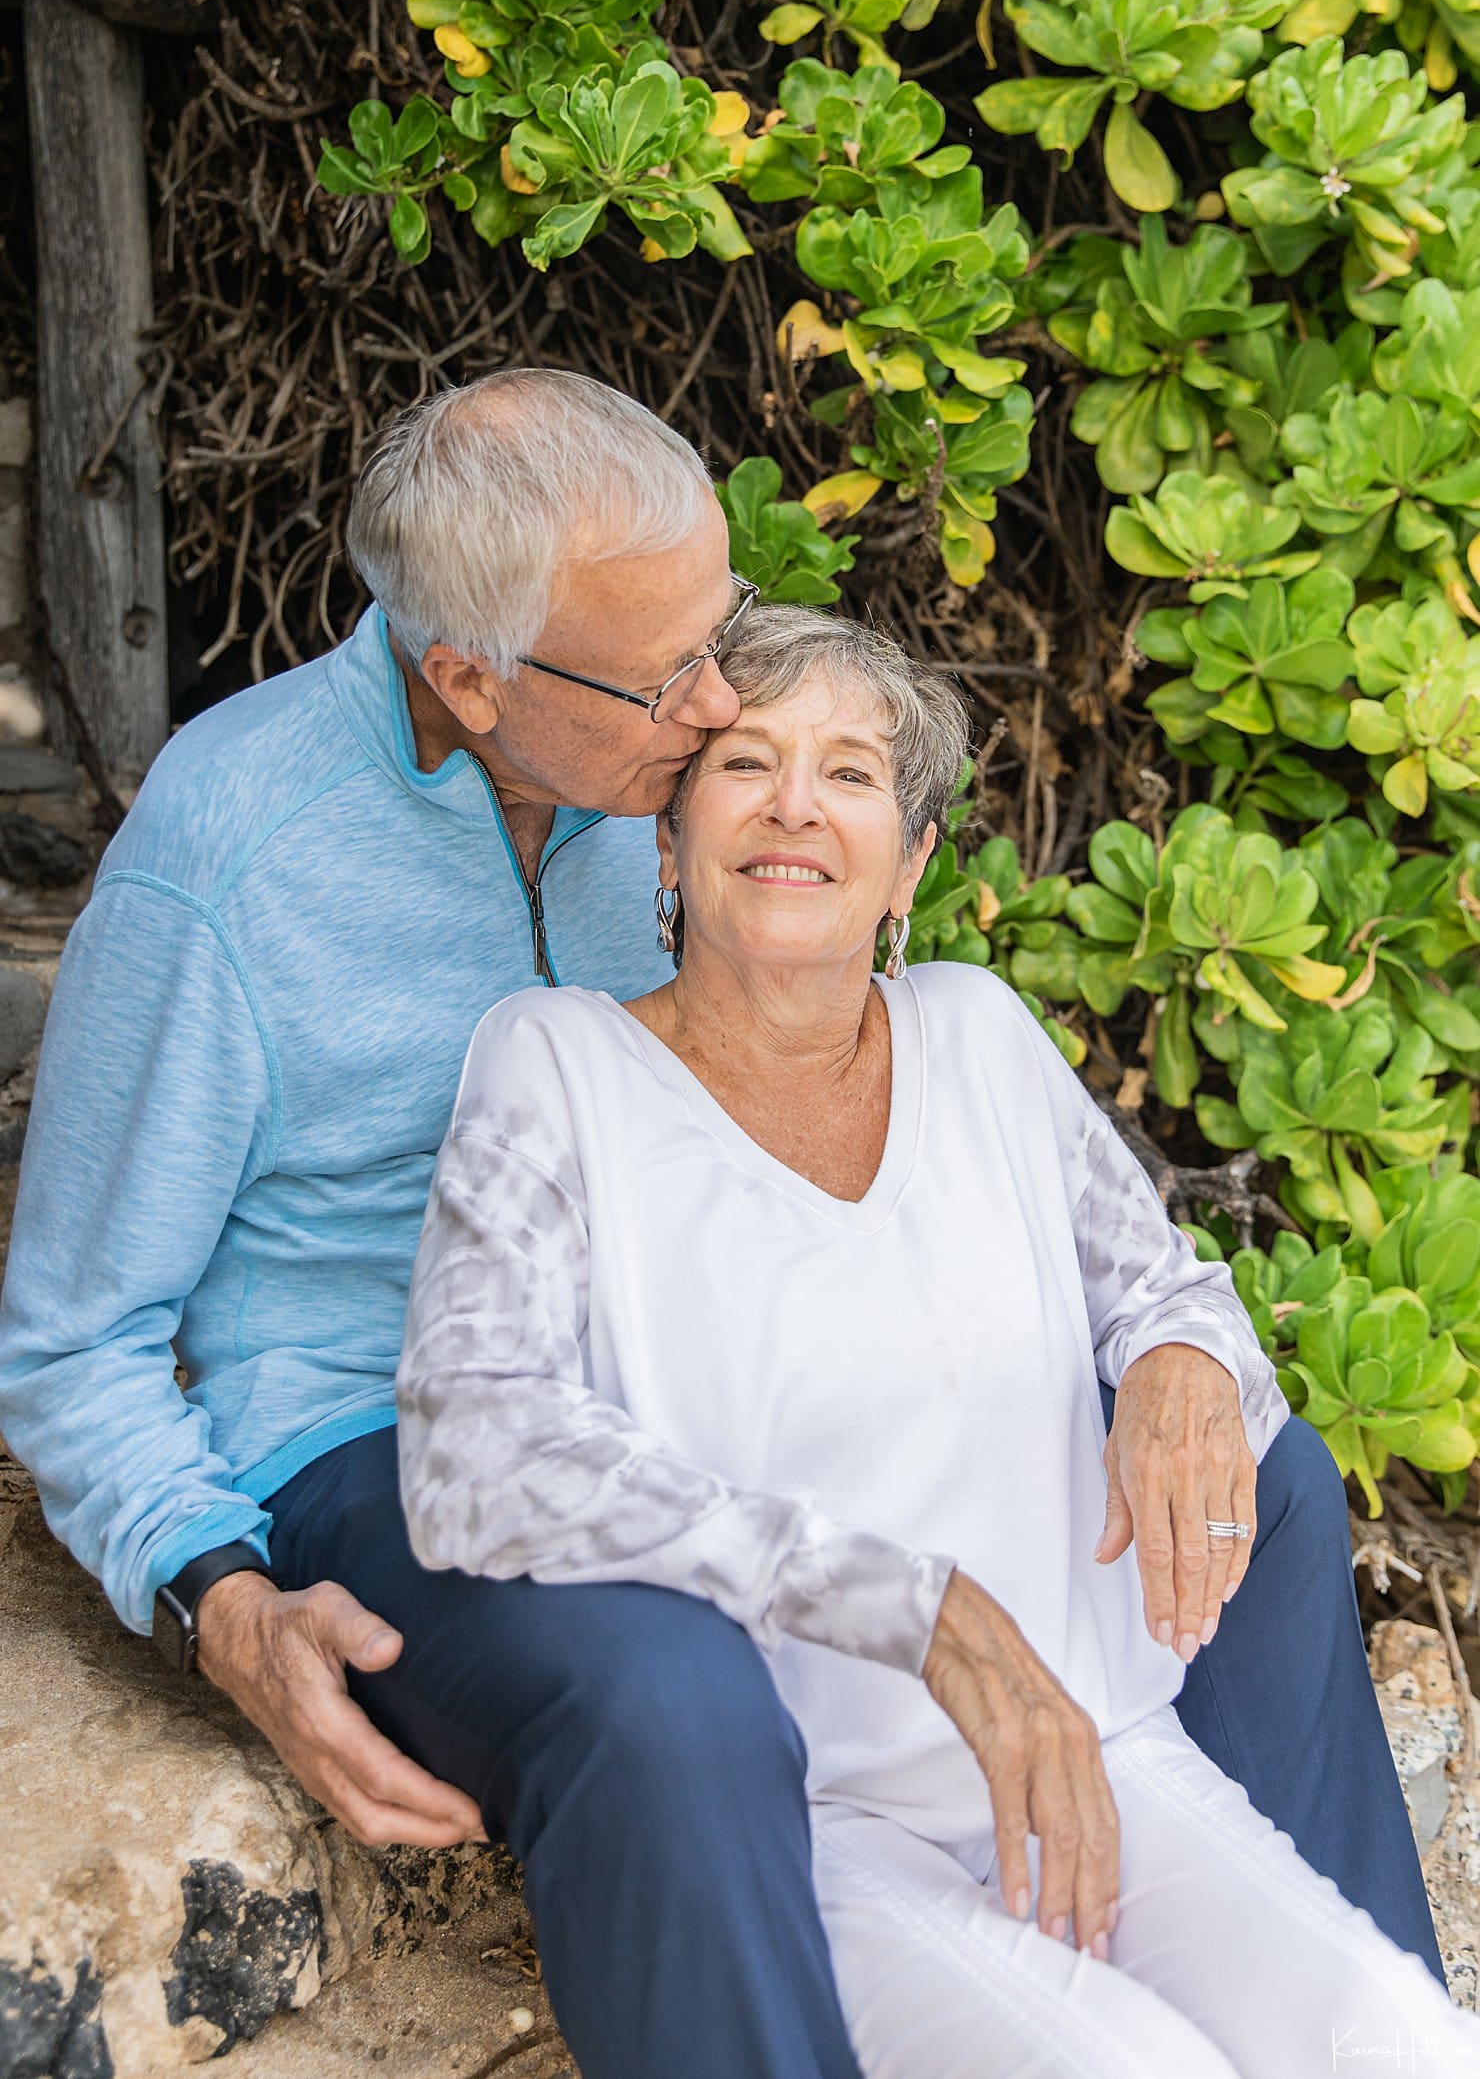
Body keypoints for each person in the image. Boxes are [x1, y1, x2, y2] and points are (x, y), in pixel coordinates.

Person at [0, 371, 1448, 2079]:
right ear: (470, 676)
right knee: (669, 1689)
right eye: (670, 678)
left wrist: (1179, 1344)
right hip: (387, 1435)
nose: (717, 707)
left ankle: (1341, 2011)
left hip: (703, 1368)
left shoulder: (673, 782)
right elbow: (73, 1335)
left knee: (1251, 1473)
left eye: (722, 630)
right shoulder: (228, 854)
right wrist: (218, 1598)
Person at [397, 602, 1480, 2076]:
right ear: (666, 839)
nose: (794, 805)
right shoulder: (557, 1066)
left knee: (1402, 2046)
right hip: (827, 1826)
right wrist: (927, 1609)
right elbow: (475, 1450)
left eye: (851, 775)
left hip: (1102, 1763)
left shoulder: (974, 1032)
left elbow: (1172, 1288)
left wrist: (1179, 1363)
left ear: (909, 864)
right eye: (745, 763)